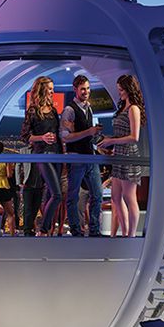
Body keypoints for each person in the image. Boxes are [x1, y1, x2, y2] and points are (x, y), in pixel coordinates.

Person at [98, 74, 146, 237]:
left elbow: (135, 137)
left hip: (129, 156)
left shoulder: (134, 109)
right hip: (119, 155)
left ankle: (130, 235)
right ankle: (125, 232)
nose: (119, 92)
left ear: (128, 89)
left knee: (129, 196)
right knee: (116, 197)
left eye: (121, 89)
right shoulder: (123, 108)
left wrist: (112, 141)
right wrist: (111, 146)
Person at [60, 75, 103, 237]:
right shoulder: (69, 110)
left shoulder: (89, 108)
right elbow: (64, 136)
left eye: (88, 88)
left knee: (97, 195)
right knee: (72, 196)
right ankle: (76, 230)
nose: (86, 92)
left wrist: (99, 143)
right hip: (76, 158)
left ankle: (94, 229)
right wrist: (88, 131)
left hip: (90, 157)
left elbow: (87, 135)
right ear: (75, 89)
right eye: (83, 89)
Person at [20, 76, 62, 236]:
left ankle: (48, 229)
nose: (53, 91)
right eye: (50, 89)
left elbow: (58, 134)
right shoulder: (32, 111)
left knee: (52, 195)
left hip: (57, 155)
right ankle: (42, 230)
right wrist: (41, 137)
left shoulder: (53, 110)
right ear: (42, 89)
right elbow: (24, 136)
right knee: (57, 195)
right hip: (42, 154)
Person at [16, 145, 43, 236]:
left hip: (40, 184)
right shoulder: (23, 150)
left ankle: (29, 228)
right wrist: (19, 181)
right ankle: (27, 230)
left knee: (35, 208)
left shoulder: (41, 150)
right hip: (27, 184)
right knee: (27, 208)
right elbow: (18, 166)